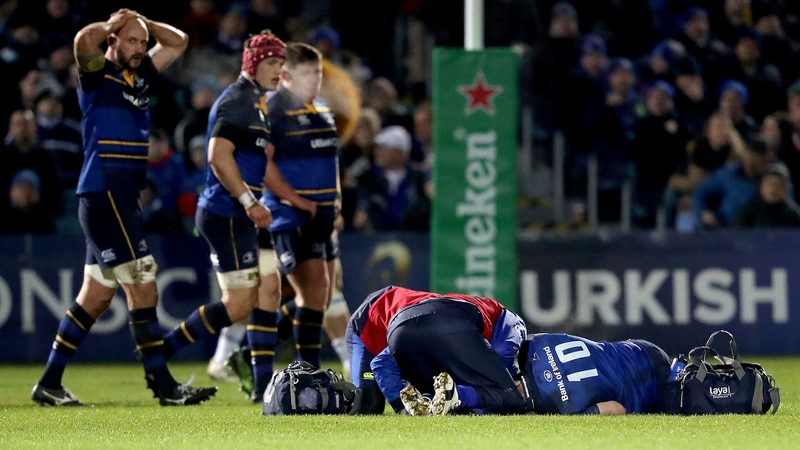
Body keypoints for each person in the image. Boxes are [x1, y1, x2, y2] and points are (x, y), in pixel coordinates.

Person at [30, 9, 217, 406]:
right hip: (104, 194)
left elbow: (178, 41)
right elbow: (82, 42)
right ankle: (163, 385)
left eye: (142, 42)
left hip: (121, 198)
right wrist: (117, 25)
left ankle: (48, 384)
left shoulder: (141, 74)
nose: (138, 48)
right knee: (143, 280)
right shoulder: (97, 74)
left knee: (95, 297)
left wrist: (145, 23)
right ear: (113, 41)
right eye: (130, 41)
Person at [160, 30, 295, 404]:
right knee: (239, 305)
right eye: (271, 63)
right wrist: (250, 200)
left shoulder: (258, 102)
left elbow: (256, 163)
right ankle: (158, 354)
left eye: (281, 64)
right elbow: (217, 157)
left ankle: (263, 386)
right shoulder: (236, 101)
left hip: (246, 213)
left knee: (270, 289)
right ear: (252, 64)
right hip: (227, 214)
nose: (277, 70)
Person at [261, 42, 337, 369]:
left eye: (318, 72)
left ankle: (256, 351)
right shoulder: (274, 110)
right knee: (314, 290)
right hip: (288, 213)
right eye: (307, 73)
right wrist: (295, 199)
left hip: (321, 212)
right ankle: (309, 369)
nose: (315, 79)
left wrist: (337, 205)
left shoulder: (322, 110)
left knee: (321, 294)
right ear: (287, 75)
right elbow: (262, 163)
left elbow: (331, 163)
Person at [346, 286, 527, 416]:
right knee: (367, 405)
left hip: (400, 331)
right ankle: (323, 391)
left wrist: (404, 409)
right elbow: (504, 355)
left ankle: (434, 400)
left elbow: (382, 363)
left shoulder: (440, 310)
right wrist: (513, 381)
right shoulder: (501, 321)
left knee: (440, 391)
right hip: (366, 324)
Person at [515, 333, 671, 415]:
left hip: (652, 388)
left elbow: (617, 408)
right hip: (641, 348)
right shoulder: (536, 343)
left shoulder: (559, 408)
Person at [731, 163, 800, 228]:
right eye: (770, 185)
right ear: (761, 188)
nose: (773, 189)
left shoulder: (794, 215)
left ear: (785, 190)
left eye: (778, 185)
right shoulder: (747, 213)